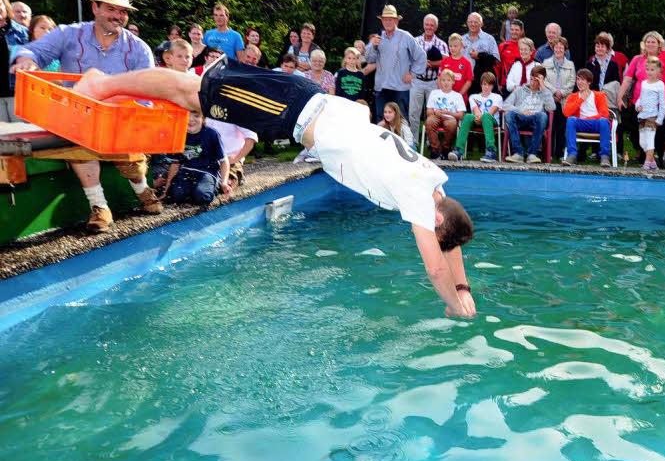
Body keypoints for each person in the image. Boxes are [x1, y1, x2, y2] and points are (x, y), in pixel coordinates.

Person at [71, 58, 478, 317]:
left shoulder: (433, 182)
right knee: (191, 91)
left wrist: (464, 289)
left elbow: (449, 241)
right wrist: (452, 305)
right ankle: (101, 83)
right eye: (430, 229)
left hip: (305, 104)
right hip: (290, 110)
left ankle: (109, 86)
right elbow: (435, 265)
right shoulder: (417, 198)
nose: (424, 233)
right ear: (435, 217)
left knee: (194, 94)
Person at [8, 0, 161, 232]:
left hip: (120, 119)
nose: (118, 16)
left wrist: (127, 116)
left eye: (123, 11)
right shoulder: (69, 33)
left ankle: (142, 188)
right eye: (111, 9)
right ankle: (100, 207)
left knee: (132, 162)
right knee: (77, 142)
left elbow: (147, 94)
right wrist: (26, 61)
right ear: (95, 8)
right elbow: (34, 51)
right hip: (76, 118)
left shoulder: (139, 49)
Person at [618, 31, 665, 158]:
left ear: (659, 44)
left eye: (653, 42)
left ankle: (661, 158)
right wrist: (620, 96)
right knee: (639, 132)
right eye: (648, 42)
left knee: (660, 133)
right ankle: (645, 156)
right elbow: (628, 79)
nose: (650, 44)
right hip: (640, 103)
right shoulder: (638, 59)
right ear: (644, 44)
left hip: (660, 102)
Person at [365, 5, 426, 122]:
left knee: (401, 120)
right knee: (381, 120)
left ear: (396, 21)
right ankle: (382, 141)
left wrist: (413, 73)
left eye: (390, 19)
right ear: (381, 21)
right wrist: (372, 46)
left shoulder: (406, 36)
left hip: (400, 88)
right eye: (385, 19)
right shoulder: (378, 38)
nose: (387, 22)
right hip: (381, 87)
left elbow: (421, 56)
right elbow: (369, 59)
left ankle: (402, 140)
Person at [160, 110, 230, 206]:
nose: (190, 120)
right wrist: (166, 190)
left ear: (203, 119)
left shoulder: (212, 134)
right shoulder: (178, 134)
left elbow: (224, 161)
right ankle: (189, 190)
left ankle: (212, 187)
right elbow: (175, 164)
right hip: (186, 171)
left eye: (196, 116)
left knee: (202, 197)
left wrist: (224, 183)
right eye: (186, 116)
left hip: (207, 172)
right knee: (175, 196)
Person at [409, 14, 450, 137]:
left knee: (432, 114)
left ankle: (431, 142)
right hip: (416, 81)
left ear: (436, 27)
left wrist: (431, 64)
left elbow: (446, 62)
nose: (429, 27)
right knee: (413, 113)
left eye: (432, 25)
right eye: (427, 24)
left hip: (434, 82)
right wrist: (420, 64)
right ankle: (413, 142)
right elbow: (408, 59)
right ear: (423, 25)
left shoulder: (441, 44)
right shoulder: (414, 41)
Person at [561, 69, 611, 167]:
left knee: (604, 121)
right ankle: (572, 155)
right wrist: (581, 100)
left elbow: (604, 113)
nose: (579, 82)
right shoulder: (573, 96)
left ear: (589, 82)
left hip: (596, 123)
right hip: (581, 124)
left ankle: (604, 156)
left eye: (582, 80)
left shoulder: (599, 95)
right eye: (578, 79)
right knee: (571, 120)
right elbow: (566, 113)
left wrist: (589, 118)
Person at [504, 66, 555, 163]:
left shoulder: (545, 92)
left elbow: (551, 108)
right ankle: (518, 153)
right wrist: (521, 111)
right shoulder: (519, 90)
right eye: (531, 79)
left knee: (543, 116)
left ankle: (532, 154)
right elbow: (506, 105)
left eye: (536, 80)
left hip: (535, 121)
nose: (532, 83)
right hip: (521, 118)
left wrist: (543, 87)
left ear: (542, 80)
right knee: (509, 115)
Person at [451, 71, 503, 162]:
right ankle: (458, 150)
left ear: (493, 86)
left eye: (489, 85)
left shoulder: (497, 97)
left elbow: (492, 112)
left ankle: (491, 151)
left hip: (491, 121)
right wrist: (478, 117)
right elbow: (476, 111)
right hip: (477, 119)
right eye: (484, 84)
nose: (486, 87)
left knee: (486, 116)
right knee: (467, 116)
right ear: (481, 84)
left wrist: (481, 117)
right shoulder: (473, 97)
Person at [542, 36, 576, 159]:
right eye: (556, 47)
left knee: (562, 128)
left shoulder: (570, 64)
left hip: (564, 101)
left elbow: (572, 82)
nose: (558, 49)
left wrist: (561, 92)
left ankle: (560, 153)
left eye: (561, 47)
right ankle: (548, 153)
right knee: (550, 127)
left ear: (565, 50)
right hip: (550, 99)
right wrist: (554, 92)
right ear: (553, 48)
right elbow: (543, 80)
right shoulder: (546, 63)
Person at [205, 115, 258, 190]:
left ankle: (237, 174)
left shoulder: (237, 110)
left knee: (220, 187)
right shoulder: (205, 107)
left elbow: (251, 138)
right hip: (206, 161)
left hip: (231, 162)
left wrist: (236, 158)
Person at [424, 69, 465, 158]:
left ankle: (446, 148)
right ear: (440, 82)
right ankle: (435, 149)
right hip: (436, 116)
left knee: (452, 124)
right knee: (429, 121)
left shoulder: (457, 96)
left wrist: (449, 113)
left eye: (448, 80)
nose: (445, 83)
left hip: (450, 117)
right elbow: (428, 111)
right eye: (443, 80)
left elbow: (461, 115)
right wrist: (435, 112)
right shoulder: (434, 93)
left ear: (453, 82)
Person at [636, 56, 665, 171]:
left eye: (652, 70)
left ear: (659, 71)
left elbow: (662, 104)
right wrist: (637, 106)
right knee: (642, 142)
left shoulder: (660, 85)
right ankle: (653, 162)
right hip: (642, 116)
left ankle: (647, 163)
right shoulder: (644, 83)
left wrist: (660, 118)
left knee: (649, 141)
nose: (649, 72)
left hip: (652, 117)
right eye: (647, 69)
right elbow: (640, 98)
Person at [439, 34, 473, 105]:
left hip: (460, 99)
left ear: (461, 47)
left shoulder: (466, 63)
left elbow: (468, 82)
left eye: (455, 46)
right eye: (450, 46)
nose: (452, 48)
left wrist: (458, 96)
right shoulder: (444, 62)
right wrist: (443, 93)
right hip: (445, 99)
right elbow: (439, 79)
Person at [497, 19, 526, 87]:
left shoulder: (528, 46)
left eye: (516, 30)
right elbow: (497, 67)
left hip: (523, 86)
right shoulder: (503, 46)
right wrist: (498, 84)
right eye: (512, 29)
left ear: (521, 31)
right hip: (505, 85)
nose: (514, 32)